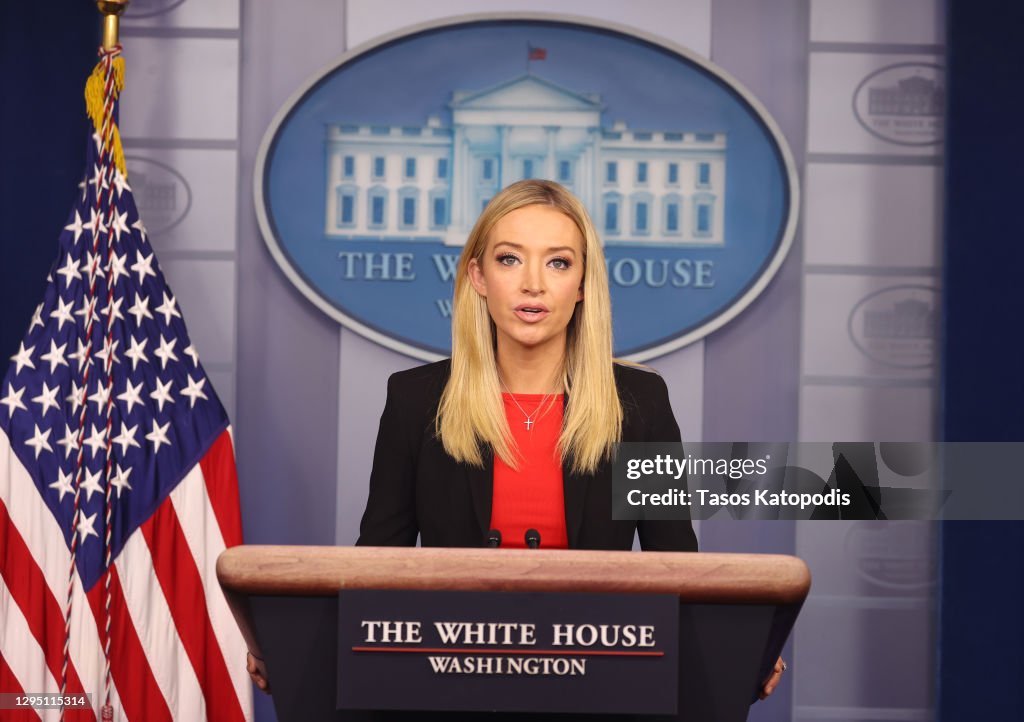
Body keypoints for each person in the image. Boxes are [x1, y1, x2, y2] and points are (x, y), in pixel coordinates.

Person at [247, 179, 785, 696]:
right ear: (478, 277)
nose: (533, 283)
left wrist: (737, 650)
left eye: (558, 262)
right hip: (448, 677)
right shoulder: (415, 400)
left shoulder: (639, 403)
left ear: (582, 285)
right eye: (510, 259)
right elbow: (379, 562)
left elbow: (677, 566)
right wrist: (295, 647)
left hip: (598, 679)